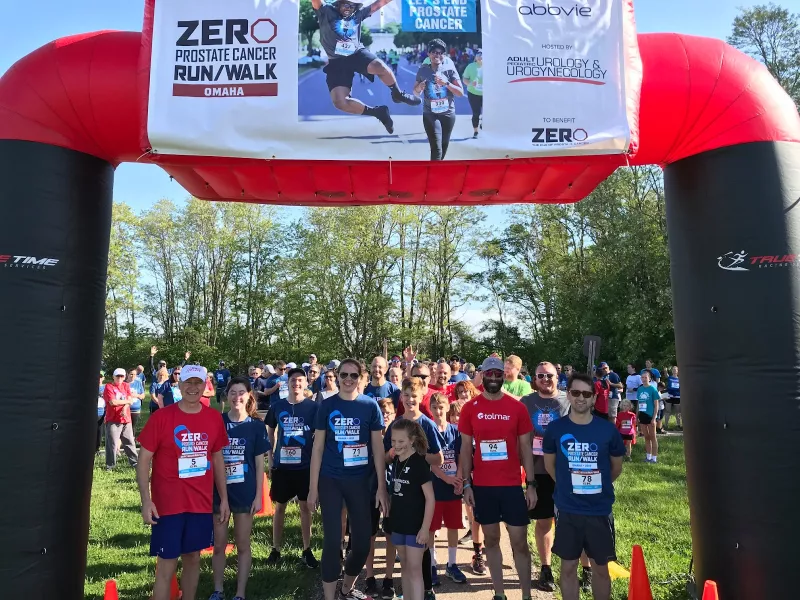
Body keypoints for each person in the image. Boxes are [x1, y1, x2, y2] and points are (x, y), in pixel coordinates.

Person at [136, 365, 229, 600]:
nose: (193, 387)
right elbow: (143, 460)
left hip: (200, 502)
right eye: (188, 382)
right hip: (168, 505)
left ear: (205, 386)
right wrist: (146, 501)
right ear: (179, 384)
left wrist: (224, 498)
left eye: (198, 383)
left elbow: (217, 458)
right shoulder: (162, 417)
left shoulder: (213, 418)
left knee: (193, 557)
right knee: (166, 564)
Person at [307, 358, 388, 600]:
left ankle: (347, 588)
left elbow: (378, 449)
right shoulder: (327, 406)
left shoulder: (370, 406)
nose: (349, 380)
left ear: (362, 378)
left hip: (361, 482)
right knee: (332, 543)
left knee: (362, 544)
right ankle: (330, 596)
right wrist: (313, 489)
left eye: (354, 375)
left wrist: (382, 487)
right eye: (344, 375)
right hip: (330, 480)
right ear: (337, 376)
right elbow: (318, 449)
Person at [459, 356, 538, 600]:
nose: (493, 378)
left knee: (519, 543)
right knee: (491, 540)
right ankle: (499, 593)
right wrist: (466, 484)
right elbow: (464, 449)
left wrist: (531, 484)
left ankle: (526, 594)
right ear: (482, 375)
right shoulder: (470, 408)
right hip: (483, 486)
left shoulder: (517, 407)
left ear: (504, 375)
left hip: (512, 485)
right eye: (489, 373)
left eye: (498, 373)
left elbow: (526, 447)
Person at [543, 373, 625, 600]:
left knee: (600, 569)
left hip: (599, 510)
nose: (581, 398)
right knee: (568, 568)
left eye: (586, 394)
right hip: (568, 509)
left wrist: (599, 486)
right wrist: (567, 485)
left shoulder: (607, 430)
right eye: (576, 392)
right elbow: (550, 465)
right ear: (568, 394)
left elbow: (615, 467)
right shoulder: (556, 429)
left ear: (594, 398)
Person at [312, 0, 420, 135]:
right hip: (336, 61)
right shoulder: (326, 11)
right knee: (340, 102)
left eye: (352, 6)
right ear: (338, 4)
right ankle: (378, 112)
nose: (349, 8)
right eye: (346, 4)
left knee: (379, 66)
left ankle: (397, 93)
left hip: (356, 54)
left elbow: (379, 4)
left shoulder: (358, 15)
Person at [381, 377, 444, 599]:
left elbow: (439, 458)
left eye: (414, 395)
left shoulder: (426, 423)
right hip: (399, 499)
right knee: (406, 562)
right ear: (401, 397)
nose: (409, 399)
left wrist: (417, 456)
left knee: (419, 557)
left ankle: (427, 589)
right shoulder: (396, 424)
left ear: (421, 397)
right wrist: (391, 454)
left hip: (420, 496)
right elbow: (385, 457)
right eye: (406, 395)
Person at [209, 377, 269, 600]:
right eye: (232, 392)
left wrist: (258, 496)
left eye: (241, 392)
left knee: (243, 544)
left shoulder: (256, 426)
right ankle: (218, 590)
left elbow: (260, 463)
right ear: (227, 395)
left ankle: (240, 593)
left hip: (245, 490)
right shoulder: (217, 421)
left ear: (249, 395)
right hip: (219, 492)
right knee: (219, 544)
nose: (237, 397)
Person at [520, 361, 570, 592]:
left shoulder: (568, 400)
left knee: (573, 522)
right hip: (539, 472)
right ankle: (546, 568)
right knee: (544, 521)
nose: (545, 379)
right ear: (535, 379)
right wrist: (528, 481)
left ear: (557, 376)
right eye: (540, 376)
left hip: (567, 471)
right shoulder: (527, 402)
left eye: (549, 375)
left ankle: (582, 570)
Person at [265, 368, 320, 568]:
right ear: (287, 383)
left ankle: (307, 549)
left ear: (305, 384)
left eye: (300, 381)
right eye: (293, 380)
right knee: (279, 507)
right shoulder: (278, 406)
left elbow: (318, 436)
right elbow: (270, 431)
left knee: (305, 508)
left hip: (304, 466)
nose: (296, 384)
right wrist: (270, 457)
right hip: (282, 466)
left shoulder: (313, 407)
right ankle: (275, 548)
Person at [389, 419, 436, 600]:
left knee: (415, 570)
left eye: (401, 441)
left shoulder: (419, 463)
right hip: (399, 523)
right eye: (393, 441)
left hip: (416, 526)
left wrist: (425, 529)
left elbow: (430, 498)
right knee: (405, 567)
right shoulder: (397, 461)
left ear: (411, 440)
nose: (396, 445)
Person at [428, 393, 467, 584]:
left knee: (453, 525)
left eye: (441, 407)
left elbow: (460, 455)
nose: (438, 411)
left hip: (453, 485)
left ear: (447, 408)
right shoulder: (427, 429)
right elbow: (430, 461)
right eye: (434, 407)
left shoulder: (455, 430)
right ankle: (432, 564)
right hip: (435, 486)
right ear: (430, 409)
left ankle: (452, 564)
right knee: (432, 527)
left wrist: (458, 477)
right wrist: (446, 478)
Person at [414, 39, 464, 161]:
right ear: (429, 54)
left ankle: (436, 172)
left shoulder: (450, 70)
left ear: (444, 55)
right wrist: (419, 87)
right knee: (436, 148)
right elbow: (415, 92)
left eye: (440, 53)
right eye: (434, 52)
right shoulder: (423, 70)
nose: (437, 55)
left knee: (443, 146)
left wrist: (446, 83)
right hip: (430, 114)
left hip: (448, 114)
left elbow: (460, 93)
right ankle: (434, 176)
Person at [104, 368, 139, 470]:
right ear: (113, 377)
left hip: (126, 419)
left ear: (124, 377)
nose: (119, 378)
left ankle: (135, 462)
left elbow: (130, 400)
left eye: (122, 376)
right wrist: (127, 402)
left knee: (129, 442)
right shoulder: (109, 386)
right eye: (117, 376)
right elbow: (113, 402)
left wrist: (125, 407)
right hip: (113, 419)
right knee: (112, 444)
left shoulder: (126, 385)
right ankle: (110, 465)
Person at [636, 370, 660, 463]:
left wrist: (654, 418)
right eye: (642, 377)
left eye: (646, 377)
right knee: (646, 437)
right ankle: (648, 457)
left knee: (653, 437)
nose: (644, 379)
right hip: (642, 415)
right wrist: (637, 416)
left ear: (649, 379)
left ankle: (654, 458)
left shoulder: (653, 389)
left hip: (650, 415)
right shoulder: (640, 389)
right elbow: (639, 403)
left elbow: (656, 405)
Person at [460, 50, 483, 138]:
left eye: (482, 55)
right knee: (476, 113)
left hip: (486, 95)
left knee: (489, 113)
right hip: (473, 93)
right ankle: (476, 131)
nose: (480, 57)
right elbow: (465, 79)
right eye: (478, 55)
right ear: (475, 57)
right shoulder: (470, 66)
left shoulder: (489, 67)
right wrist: (470, 83)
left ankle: (483, 125)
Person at [663, 366, 682, 430]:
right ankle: (666, 425)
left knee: (678, 412)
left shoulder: (680, 379)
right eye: (673, 369)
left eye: (675, 369)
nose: (674, 370)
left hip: (677, 396)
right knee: (668, 411)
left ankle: (678, 425)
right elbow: (666, 375)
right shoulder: (670, 377)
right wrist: (665, 371)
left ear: (677, 371)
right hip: (669, 396)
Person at [97, 372, 106, 454]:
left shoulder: (105, 388)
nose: (99, 379)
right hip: (92, 413)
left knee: (100, 432)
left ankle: (97, 448)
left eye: (101, 377)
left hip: (101, 412)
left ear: (103, 378)